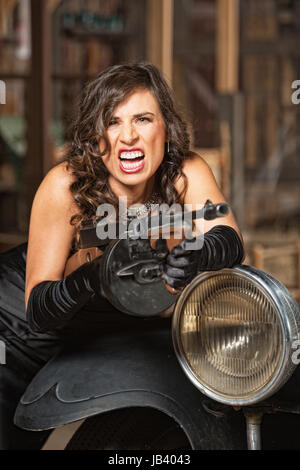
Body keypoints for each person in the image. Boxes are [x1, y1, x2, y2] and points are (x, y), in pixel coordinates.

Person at [0, 62, 244, 449]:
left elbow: (229, 240)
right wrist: (92, 276)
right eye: (113, 122)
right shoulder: (65, 184)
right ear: (96, 139)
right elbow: (39, 310)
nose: (128, 136)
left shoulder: (186, 172)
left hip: (109, 335)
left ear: (166, 128)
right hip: (18, 332)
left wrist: (197, 253)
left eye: (143, 119)